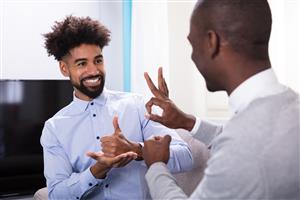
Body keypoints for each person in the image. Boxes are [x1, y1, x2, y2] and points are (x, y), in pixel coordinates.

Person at [142, 0, 300, 199]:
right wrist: (188, 122)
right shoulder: (287, 105)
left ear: (211, 42)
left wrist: (156, 166)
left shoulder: (244, 146)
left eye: (193, 45)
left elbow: (245, 145)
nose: (192, 57)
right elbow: (246, 137)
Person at [41, 15, 193, 200]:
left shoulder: (136, 105)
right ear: (64, 69)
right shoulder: (54, 128)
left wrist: (137, 150)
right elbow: (56, 194)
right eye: (82, 63)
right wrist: (97, 170)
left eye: (98, 60)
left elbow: (186, 157)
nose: (94, 70)